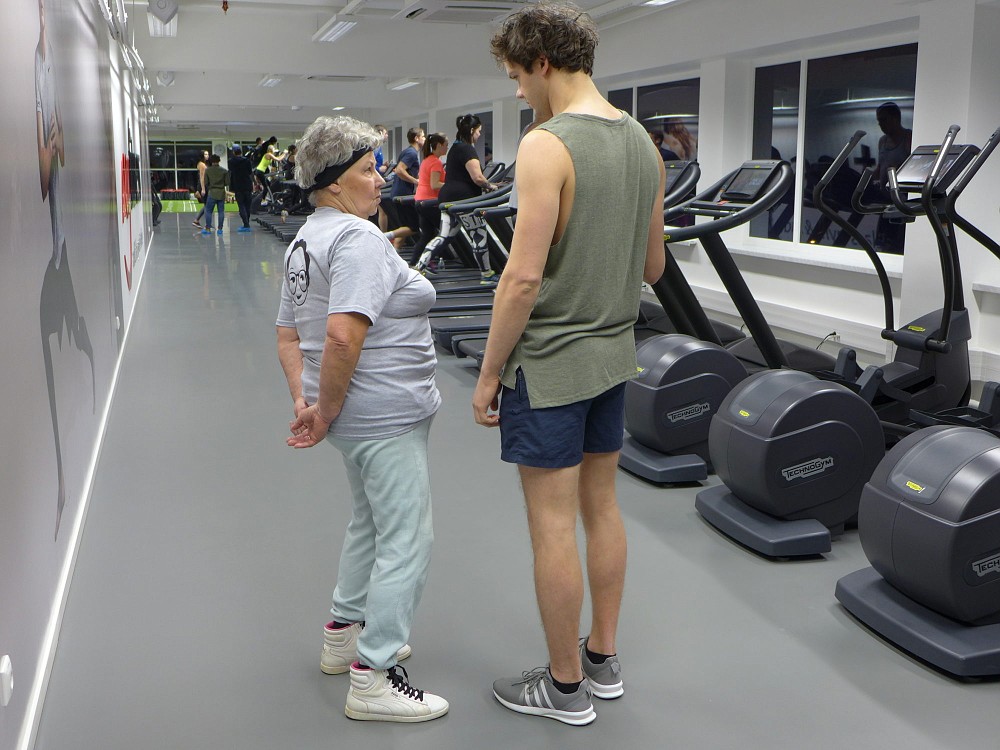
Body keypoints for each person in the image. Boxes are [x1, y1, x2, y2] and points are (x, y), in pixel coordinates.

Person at [473, 2, 665, 726]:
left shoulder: (546, 146)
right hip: (613, 358)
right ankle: (602, 660)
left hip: (550, 366)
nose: (519, 90)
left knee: (552, 526)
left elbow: (521, 279)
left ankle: (562, 689)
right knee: (602, 508)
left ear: (543, 63)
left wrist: (488, 374)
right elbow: (652, 267)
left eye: (517, 76)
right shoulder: (643, 142)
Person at [276, 115, 448, 723]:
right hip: (384, 415)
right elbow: (342, 338)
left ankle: (342, 636)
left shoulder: (306, 240)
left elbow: (288, 335)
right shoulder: (357, 239)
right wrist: (322, 410)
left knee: (370, 524)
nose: (381, 180)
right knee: (408, 539)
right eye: (369, 170)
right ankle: (373, 677)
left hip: (355, 419)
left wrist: (308, 404)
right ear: (334, 183)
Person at [36, 0, 94, 540]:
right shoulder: (39, 66)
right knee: (55, 374)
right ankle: (58, 483)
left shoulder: (48, 62)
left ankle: (63, 476)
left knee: (85, 355)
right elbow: (42, 174)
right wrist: (49, 146)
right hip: (53, 266)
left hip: (64, 251)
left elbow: (64, 159)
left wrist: (60, 144)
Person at [873, 101, 912, 253]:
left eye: (884, 120)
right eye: (879, 121)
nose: (881, 125)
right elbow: (880, 166)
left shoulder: (908, 138)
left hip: (901, 198)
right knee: (883, 244)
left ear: (896, 118)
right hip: (885, 197)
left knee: (896, 244)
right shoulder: (882, 141)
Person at [437, 114, 496, 205]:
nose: (479, 134)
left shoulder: (455, 147)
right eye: (478, 131)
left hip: (449, 196)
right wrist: (490, 186)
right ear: (472, 130)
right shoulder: (467, 149)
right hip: (461, 199)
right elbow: (478, 178)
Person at [410, 132, 448, 265]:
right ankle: (432, 261)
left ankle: (415, 262)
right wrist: (451, 185)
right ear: (439, 145)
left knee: (428, 234)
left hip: (420, 201)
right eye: (446, 145)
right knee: (445, 233)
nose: (447, 148)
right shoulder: (436, 162)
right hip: (430, 203)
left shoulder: (427, 160)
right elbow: (434, 184)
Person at [390, 127, 425, 199]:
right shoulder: (411, 153)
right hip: (402, 194)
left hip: (402, 192)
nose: (425, 139)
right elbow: (399, 170)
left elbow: (410, 171)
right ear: (416, 138)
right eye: (423, 136)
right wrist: (416, 181)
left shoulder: (409, 151)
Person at [200, 154, 229, 235]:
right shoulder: (224, 171)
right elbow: (227, 183)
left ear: (211, 161)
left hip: (212, 192)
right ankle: (220, 229)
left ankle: (208, 228)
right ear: (219, 160)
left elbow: (206, 182)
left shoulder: (208, 170)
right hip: (221, 193)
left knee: (208, 211)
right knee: (221, 211)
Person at [228, 145, 254, 232]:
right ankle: (247, 223)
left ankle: (246, 224)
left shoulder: (231, 161)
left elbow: (231, 170)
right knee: (247, 206)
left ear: (233, 152)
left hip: (238, 186)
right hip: (247, 185)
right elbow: (250, 172)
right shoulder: (247, 161)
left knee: (241, 205)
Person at [192, 150, 209, 227]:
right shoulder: (202, 164)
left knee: (207, 205)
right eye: (205, 154)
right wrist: (203, 189)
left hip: (203, 185)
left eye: (208, 154)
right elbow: (202, 177)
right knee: (207, 205)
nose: (207, 155)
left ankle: (198, 220)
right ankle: (205, 223)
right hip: (203, 185)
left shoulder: (202, 164)